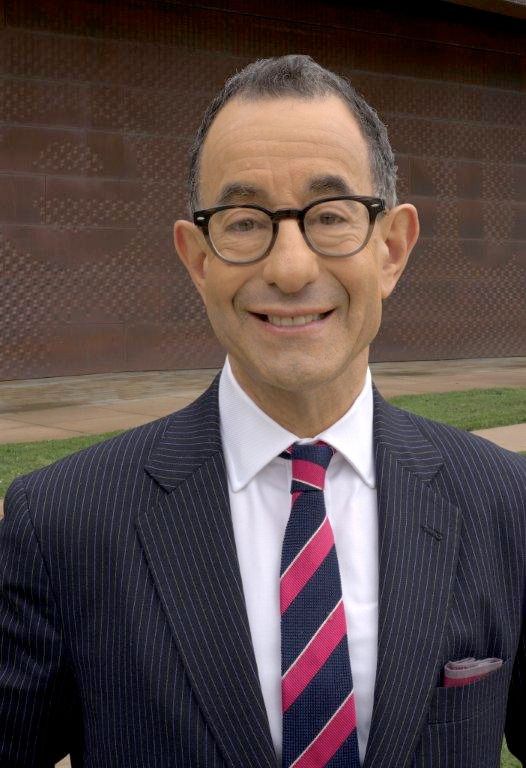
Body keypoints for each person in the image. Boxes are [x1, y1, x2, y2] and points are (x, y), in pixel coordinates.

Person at [1, 55, 524, 768]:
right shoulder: (64, 524)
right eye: (245, 222)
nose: (290, 268)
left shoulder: (505, 503)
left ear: (392, 249)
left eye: (331, 216)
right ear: (197, 259)